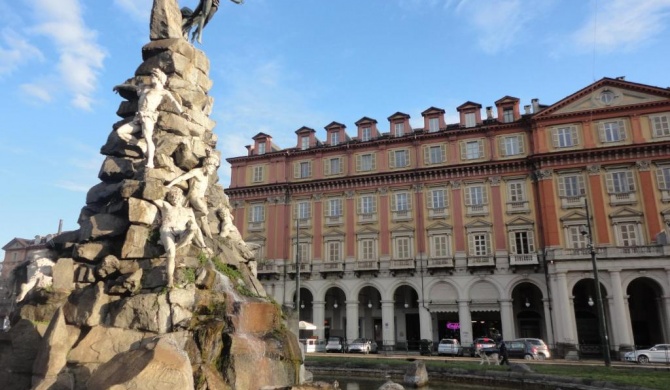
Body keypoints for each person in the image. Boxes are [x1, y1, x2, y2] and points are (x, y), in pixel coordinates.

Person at [114, 68, 189, 169]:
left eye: (153, 76)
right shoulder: (145, 88)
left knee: (148, 138)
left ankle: (150, 162)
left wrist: (182, 113)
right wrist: (119, 86)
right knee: (120, 132)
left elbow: (174, 102)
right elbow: (132, 87)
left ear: (159, 78)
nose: (151, 78)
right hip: (138, 117)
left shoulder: (163, 92)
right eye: (152, 76)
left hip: (149, 117)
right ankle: (140, 144)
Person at [151, 188, 211, 288]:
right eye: (171, 196)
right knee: (171, 254)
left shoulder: (189, 211)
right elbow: (152, 198)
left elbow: (196, 228)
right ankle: (170, 281)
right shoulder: (166, 206)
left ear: (181, 198)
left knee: (194, 227)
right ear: (169, 198)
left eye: (176, 196)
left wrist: (203, 246)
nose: (174, 198)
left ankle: (176, 246)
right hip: (167, 230)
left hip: (182, 232)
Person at [165, 155, 219, 238]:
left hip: (201, 198)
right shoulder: (196, 172)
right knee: (204, 211)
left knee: (204, 219)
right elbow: (182, 178)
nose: (212, 171)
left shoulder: (206, 176)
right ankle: (185, 216)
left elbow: (211, 159)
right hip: (194, 196)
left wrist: (210, 154)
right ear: (206, 165)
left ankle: (209, 238)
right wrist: (169, 185)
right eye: (212, 168)